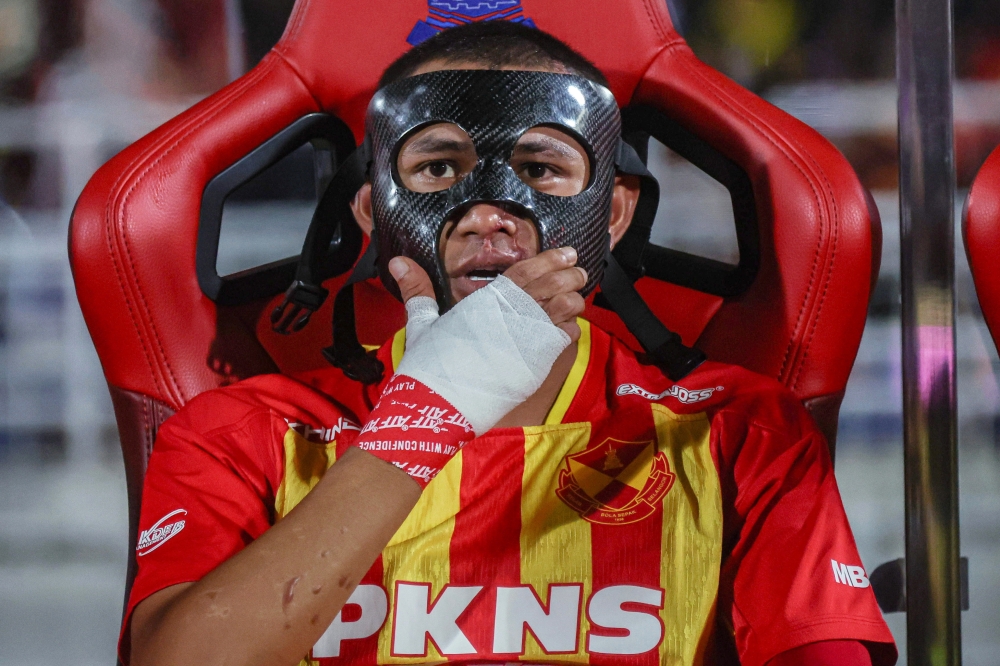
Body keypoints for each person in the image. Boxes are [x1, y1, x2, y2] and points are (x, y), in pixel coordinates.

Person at [122, 21, 896, 666]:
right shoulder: (241, 436)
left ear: (614, 216)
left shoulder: (740, 433)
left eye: (539, 167)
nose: (488, 212)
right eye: (436, 167)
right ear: (370, 213)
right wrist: (425, 417)